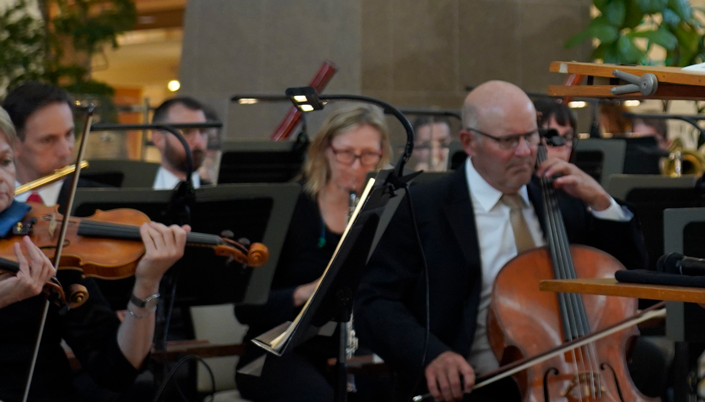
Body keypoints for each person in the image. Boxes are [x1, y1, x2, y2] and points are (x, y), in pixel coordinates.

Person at [356, 81, 646, 402]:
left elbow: (630, 284)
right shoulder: (423, 207)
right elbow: (375, 304)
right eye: (508, 140)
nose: (525, 152)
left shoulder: (565, 195)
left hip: (579, 376)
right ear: (469, 142)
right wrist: (433, 355)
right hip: (472, 384)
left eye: (531, 136)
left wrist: (602, 202)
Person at [0, 108, 188, 402]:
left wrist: (147, 283)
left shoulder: (43, 243)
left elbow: (115, 370)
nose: (2, 178)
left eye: (5, 162)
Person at [234, 103, 391, 402]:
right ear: (325, 150)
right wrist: (307, 293)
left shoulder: (385, 214)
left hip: (354, 349)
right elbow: (245, 309)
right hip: (274, 353)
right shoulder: (287, 207)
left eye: (369, 155)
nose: (357, 166)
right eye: (346, 153)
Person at [1, 81, 79, 207]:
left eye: (69, 134)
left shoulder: (102, 202)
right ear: (14, 143)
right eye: (48, 140)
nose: (65, 151)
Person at [150, 95, 212, 190]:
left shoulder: (216, 196)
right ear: (158, 139)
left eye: (203, 131)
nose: (198, 141)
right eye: (186, 131)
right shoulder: (133, 193)